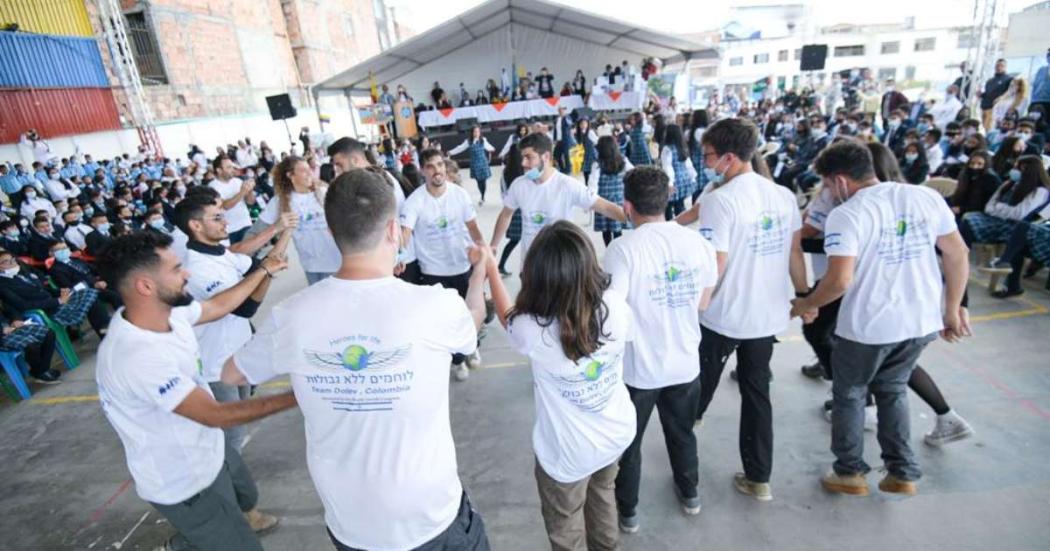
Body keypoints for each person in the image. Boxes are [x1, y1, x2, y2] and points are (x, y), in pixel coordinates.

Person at [224, 168, 492, 551]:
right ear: (392, 231)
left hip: (352, 527)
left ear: (332, 234)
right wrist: (479, 270)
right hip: (431, 520)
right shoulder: (434, 304)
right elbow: (473, 322)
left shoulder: (292, 315)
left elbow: (233, 372)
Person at [791, 140, 970, 497]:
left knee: (850, 394)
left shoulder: (849, 213)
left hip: (870, 326)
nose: (827, 191)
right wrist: (951, 308)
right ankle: (902, 471)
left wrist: (807, 302)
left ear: (840, 181)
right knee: (892, 389)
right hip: (919, 321)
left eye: (827, 184)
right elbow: (957, 252)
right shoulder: (924, 197)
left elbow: (840, 280)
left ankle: (849, 472)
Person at [94, 231, 294, 550]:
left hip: (206, 449)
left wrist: (262, 270)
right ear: (145, 286)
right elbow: (215, 415)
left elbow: (217, 305)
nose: (186, 273)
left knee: (242, 499)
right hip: (183, 480)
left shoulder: (168, 313)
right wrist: (299, 394)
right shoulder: (137, 355)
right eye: (175, 269)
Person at [476, 220, 633, 550]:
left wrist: (490, 268)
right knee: (603, 495)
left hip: (567, 455)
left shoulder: (534, 331)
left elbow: (508, 317)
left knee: (565, 523)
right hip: (614, 435)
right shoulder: (616, 306)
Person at [693, 118, 809, 501]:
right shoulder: (781, 195)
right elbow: (794, 252)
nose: (705, 161)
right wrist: (804, 296)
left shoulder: (720, 200)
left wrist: (696, 305)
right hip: (767, 316)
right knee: (757, 392)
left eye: (708, 155)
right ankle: (759, 478)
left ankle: (685, 431)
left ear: (729, 156)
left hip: (725, 313)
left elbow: (716, 264)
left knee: (701, 382)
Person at [601, 167, 717, 533]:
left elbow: (611, 311)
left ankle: (629, 512)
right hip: (685, 364)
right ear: (667, 199)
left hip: (639, 371)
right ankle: (690, 494)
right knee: (682, 432)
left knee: (629, 444)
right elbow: (702, 303)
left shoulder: (622, 249)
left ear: (627, 206)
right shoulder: (698, 243)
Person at [174, 193, 294, 453]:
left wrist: (286, 232)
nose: (225, 223)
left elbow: (264, 266)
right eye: (217, 218)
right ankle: (225, 482)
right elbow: (245, 307)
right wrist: (266, 272)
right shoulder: (197, 267)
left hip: (236, 354)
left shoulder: (222, 255)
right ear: (195, 225)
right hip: (216, 363)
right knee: (232, 437)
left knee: (239, 426)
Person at [400, 149, 486, 381]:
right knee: (444, 319)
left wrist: (484, 251)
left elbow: (472, 227)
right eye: (431, 166)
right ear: (422, 170)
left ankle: (471, 346)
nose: (437, 170)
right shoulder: (415, 201)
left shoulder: (459, 195)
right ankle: (457, 361)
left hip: (462, 266)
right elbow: (405, 233)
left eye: (440, 165)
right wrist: (397, 256)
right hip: (433, 271)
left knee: (468, 314)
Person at [490, 133, 627, 260]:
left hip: (561, 263)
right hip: (530, 263)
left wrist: (641, 222)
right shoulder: (519, 185)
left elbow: (606, 208)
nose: (523, 163)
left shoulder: (567, 185)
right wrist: (493, 245)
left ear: (546, 157)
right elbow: (506, 215)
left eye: (529, 157)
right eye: (523, 158)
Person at [261, 156, 341, 285]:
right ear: (290, 175)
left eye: (309, 169)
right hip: (311, 266)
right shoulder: (279, 201)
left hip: (338, 263)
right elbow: (258, 229)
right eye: (304, 170)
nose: (310, 172)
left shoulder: (324, 192)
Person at [959, 155, 1050, 249]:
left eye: (1019, 168)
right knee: (968, 218)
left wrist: (998, 207)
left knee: (970, 223)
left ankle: (961, 251)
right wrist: (1001, 209)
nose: (1015, 171)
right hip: (992, 218)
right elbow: (989, 207)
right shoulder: (1009, 184)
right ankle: (959, 250)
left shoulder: (1039, 191)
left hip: (1011, 225)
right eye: (1015, 167)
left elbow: (1019, 214)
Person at [588, 136, 633, 246]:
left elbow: (593, 184)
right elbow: (634, 172)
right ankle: (617, 250)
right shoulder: (623, 160)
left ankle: (608, 248)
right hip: (619, 200)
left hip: (602, 202)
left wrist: (589, 201)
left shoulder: (597, 164)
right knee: (617, 229)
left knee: (606, 230)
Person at [497, 124, 529, 276]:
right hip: (526, 208)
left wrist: (509, 205)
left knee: (515, 240)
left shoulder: (506, 172)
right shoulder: (526, 172)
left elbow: (503, 193)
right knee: (530, 239)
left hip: (513, 209)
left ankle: (501, 264)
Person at [0, 305, 60, 384]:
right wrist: (2, 330)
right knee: (31, 346)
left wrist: (16, 319)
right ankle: (41, 373)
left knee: (48, 334)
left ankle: (42, 370)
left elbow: (9, 307)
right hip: (2, 336)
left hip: (12, 326)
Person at [209, 156, 255, 244]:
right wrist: (242, 192)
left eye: (232, 167)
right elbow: (224, 206)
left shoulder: (238, 181)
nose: (232, 170)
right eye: (229, 167)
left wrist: (250, 190)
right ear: (219, 170)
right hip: (230, 229)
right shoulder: (213, 186)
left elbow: (250, 202)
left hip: (246, 223)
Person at [447, 126, 495, 206]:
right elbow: (460, 148)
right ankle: (482, 194)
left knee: (483, 181)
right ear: (472, 133)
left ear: (480, 133)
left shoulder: (483, 140)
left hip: (483, 163)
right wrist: (451, 152)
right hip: (475, 164)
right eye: (475, 132)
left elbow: (489, 147)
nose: (476, 133)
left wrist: (492, 149)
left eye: (478, 132)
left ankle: (482, 196)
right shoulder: (468, 141)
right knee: (478, 181)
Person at [659, 125, 697, 220]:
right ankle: (681, 226)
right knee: (680, 204)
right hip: (684, 179)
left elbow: (667, 167)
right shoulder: (682, 147)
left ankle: (669, 226)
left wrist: (669, 183)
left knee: (668, 206)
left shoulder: (667, 149)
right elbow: (688, 164)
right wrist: (693, 177)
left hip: (674, 180)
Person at [949, 150, 1001, 219]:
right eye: (972, 163)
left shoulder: (991, 180)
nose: (975, 167)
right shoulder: (967, 175)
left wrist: (961, 209)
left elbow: (984, 205)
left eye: (979, 164)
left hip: (976, 214)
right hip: (961, 208)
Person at [980, 59, 1014, 132]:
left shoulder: (1009, 79)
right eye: (997, 66)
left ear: (1005, 67)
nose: (999, 67)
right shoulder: (989, 81)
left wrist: (1001, 98)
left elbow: (1010, 93)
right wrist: (981, 94)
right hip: (985, 107)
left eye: (1001, 66)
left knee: (992, 129)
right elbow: (987, 93)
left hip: (996, 109)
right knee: (985, 128)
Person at [553, 106, 577, 174]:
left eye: (562, 110)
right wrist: (554, 138)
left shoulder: (567, 117)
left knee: (566, 155)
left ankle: (568, 170)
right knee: (556, 155)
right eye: (560, 110)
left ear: (564, 110)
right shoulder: (557, 119)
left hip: (566, 139)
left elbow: (569, 124)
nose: (561, 111)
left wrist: (564, 117)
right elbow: (555, 130)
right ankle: (562, 168)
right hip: (559, 140)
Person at [576, 118, 598, 183]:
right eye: (581, 124)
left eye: (585, 123)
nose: (583, 125)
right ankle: (587, 186)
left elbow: (596, 142)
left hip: (591, 155)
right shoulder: (578, 134)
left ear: (588, 124)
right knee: (585, 173)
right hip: (583, 155)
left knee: (592, 173)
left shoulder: (590, 132)